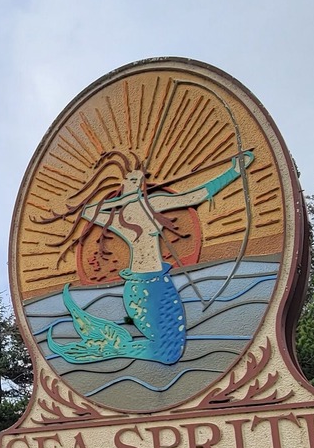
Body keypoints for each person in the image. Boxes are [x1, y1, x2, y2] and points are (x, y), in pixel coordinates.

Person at [45, 150, 252, 364]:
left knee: (172, 348)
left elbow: (194, 196)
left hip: (160, 280)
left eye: (140, 179)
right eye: (132, 180)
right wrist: (121, 200)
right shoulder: (119, 216)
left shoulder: (154, 203)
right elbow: (88, 211)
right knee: (168, 351)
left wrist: (234, 171)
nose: (138, 183)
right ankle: (110, 345)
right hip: (140, 289)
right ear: (125, 184)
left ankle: (115, 344)